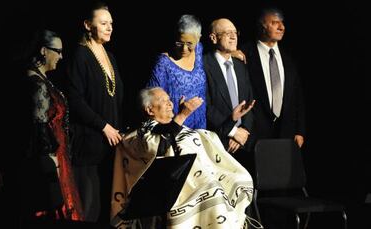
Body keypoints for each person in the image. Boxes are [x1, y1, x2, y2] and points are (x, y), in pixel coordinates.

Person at [111, 87, 255, 229]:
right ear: (149, 110)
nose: (170, 104)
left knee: (240, 179)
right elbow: (159, 147)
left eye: (169, 100)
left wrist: (232, 119)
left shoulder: (176, 127)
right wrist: (182, 115)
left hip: (207, 175)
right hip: (179, 188)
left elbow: (211, 141)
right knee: (214, 192)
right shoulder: (144, 132)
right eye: (163, 100)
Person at [66, 1, 124, 224]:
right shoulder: (80, 55)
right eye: (103, 23)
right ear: (88, 25)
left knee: (105, 208)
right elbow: (75, 99)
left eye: (111, 23)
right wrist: (104, 126)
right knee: (88, 207)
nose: (109, 27)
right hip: (89, 142)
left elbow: (114, 99)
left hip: (110, 145)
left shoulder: (111, 56)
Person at [21, 29, 83, 221]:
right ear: (43, 51)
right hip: (50, 160)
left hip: (58, 155)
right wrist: (52, 160)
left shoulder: (43, 80)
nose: (61, 56)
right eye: (58, 51)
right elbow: (38, 127)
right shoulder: (36, 84)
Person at [241, 8, 306, 149]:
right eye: (275, 23)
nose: (282, 27)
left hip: (287, 135)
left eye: (282, 23)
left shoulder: (289, 58)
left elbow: (297, 96)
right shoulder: (244, 54)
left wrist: (299, 130)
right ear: (262, 26)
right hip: (254, 137)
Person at [204, 18, 255, 158]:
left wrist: (243, 130)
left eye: (235, 32)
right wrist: (233, 132)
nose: (233, 37)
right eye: (227, 33)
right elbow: (206, 107)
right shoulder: (203, 65)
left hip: (244, 142)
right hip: (218, 143)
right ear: (214, 38)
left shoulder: (240, 65)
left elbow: (250, 102)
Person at [146, 14, 206, 129]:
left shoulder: (199, 50)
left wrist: (232, 53)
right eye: (179, 43)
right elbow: (152, 103)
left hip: (200, 128)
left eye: (189, 44)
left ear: (198, 38)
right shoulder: (163, 63)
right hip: (176, 129)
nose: (184, 49)